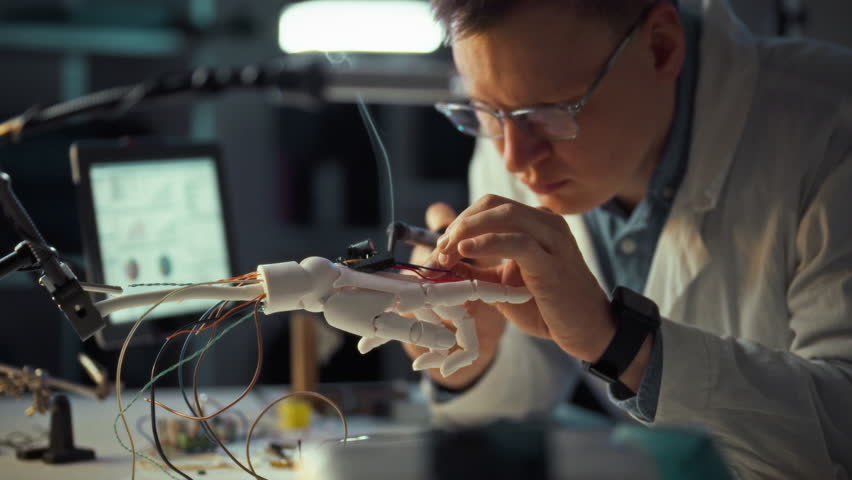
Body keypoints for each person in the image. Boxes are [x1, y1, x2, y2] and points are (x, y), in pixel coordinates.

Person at [401, 0, 852, 478]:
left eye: (550, 112)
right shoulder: (517, 137)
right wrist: (476, 356)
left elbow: (838, 429)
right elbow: (526, 404)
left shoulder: (830, 128)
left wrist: (617, 341)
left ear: (661, 48)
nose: (513, 159)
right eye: (484, 112)